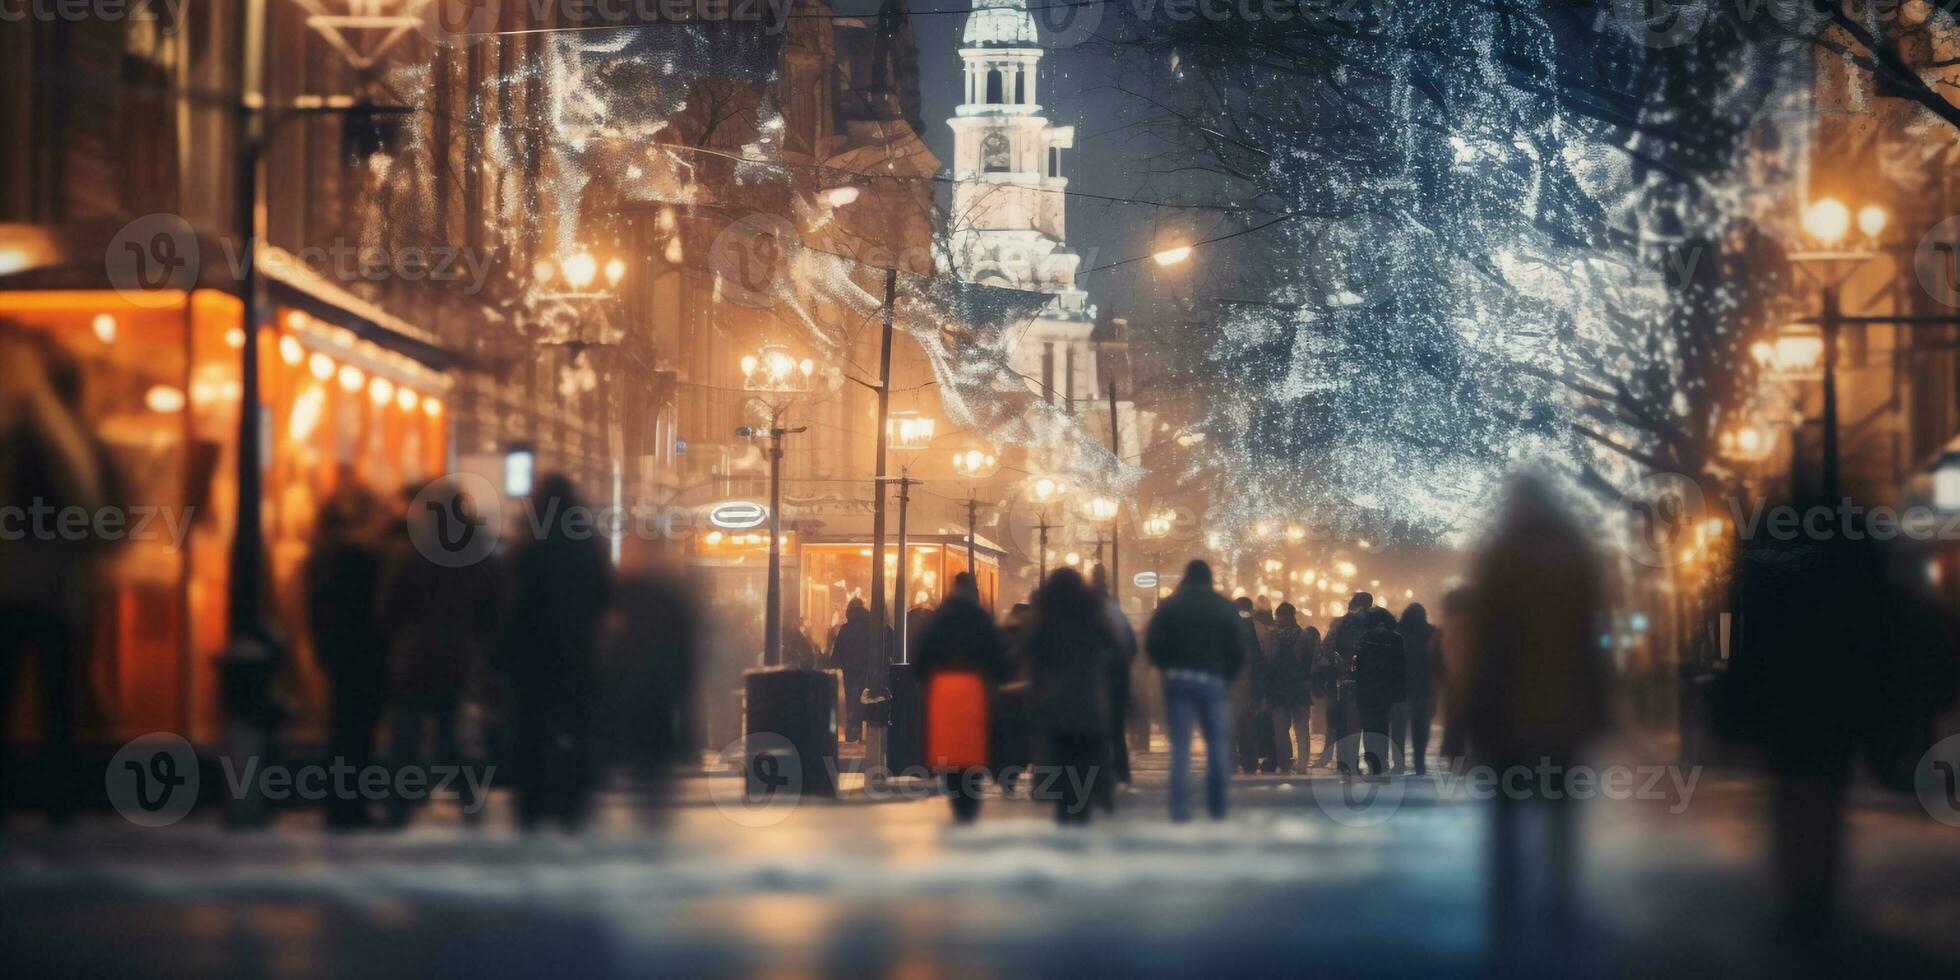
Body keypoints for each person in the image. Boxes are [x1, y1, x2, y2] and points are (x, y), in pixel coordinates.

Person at [1450, 473, 1607, 968]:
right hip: (1565, 708)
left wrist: (1466, 715)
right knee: (1561, 808)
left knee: (1506, 813)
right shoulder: (1577, 557)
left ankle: (1508, 901)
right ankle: (1560, 896)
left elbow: (1487, 644)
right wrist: (1601, 704)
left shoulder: (1500, 558)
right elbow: (1591, 637)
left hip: (1508, 709)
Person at [0, 328, 118, 826]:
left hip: (36, 590)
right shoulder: (69, 441)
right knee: (56, 702)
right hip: (55, 592)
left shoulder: (48, 440)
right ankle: (58, 804)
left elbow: (97, 509)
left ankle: (54, 802)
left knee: (50, 700)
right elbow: (102, 512)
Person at [378, 477, 505, 826]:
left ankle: (397, 810)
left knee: (406, 735)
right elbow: (492, 613)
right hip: (456, 657)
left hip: (415, 657)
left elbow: (390, 610)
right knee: (449, 734)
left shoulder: (414, 555)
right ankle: (468, 799)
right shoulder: (479, 557)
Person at [498, 474, 612, 831]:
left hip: (531, 654)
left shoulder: (527, 547)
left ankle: (530, 802)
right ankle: (571, 799)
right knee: (575, 727)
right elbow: (605, 597)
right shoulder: (587, 547)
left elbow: (510, 602)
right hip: (576, 651)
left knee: (530, 726)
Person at [304, 483, 389, 829]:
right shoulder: (363, 559)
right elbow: (378, 612)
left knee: (343, 733)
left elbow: (316, 611)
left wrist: (323, 649)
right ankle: (350, 808)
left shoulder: (322, 556)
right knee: (358, 736)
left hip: (339, 655)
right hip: (364, 657)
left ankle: (342, 807)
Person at [1144, 560, 1245, 821]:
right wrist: (1227, 675)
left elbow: (1153, 644)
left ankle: (1179, 807)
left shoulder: (1170, 606)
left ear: (1185, 578)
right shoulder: (1223, 607)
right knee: (1216, 744)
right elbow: (1237, 649)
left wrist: (1167, 666)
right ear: (1210, 579)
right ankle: (1217, 805)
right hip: (1213, 680)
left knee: (1180, 747)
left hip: (1178, 678)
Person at [1022, 568, 1121, 825]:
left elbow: (1027, 655)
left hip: (1054, 703)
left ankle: (1065, 809)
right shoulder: (1092, 616)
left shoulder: (1044, 621)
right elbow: (1115, 651)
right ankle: (1087, 802)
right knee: (1086, 756)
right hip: (1088, 700)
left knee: (1061, 758)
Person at [914, 573, 1011, 823]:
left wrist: (929, 681)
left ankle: (955, 797)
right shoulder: (981, 619)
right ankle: (970, 802)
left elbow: (921, 658)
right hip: (975, 690)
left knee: (949, 748)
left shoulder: (939, 618)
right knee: (972, 746)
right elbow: (999, 659)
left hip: (943, 690)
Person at [1089, 564, 1137, 799]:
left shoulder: (1083, 612)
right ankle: (1121, 772)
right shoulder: (1116, 612)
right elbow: (1131, 647)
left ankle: (1097, 774)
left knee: (1093, 729)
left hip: (1090, 681)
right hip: (1116, 678)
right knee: (1116, 730)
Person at [1318, 592, 1375, 772]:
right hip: (1369, 679)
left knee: (1346, 722)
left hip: (1344, 679)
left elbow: (1326, 647)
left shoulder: (1340, 624)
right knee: (1367, 723)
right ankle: (1371, 761)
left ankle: (1346, 762)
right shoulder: (1375, 624)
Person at [1351, 606, 1406, 778]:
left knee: (1368, 726)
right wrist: (1400, 690)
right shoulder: (1396, 639)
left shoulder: (1366, 638)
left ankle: (1372, 761)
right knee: (1382, 725)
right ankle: (1382, 761)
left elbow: (1358, 666)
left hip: (1366, 689)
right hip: (1387, 689)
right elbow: (1401, 667)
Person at [1391, 603, 1442, 775]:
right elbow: (1438, 662)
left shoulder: (1397, 632)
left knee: (1398, 727)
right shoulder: (1432, 633)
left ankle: (1398, 762)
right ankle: (1419, 761)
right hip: (1424, 686)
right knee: (1421, 726)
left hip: (1400, 686)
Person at [826, 598, 886, 743]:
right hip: (868, 671)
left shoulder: (846, 628)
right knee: (867, 699)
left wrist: (832, 664)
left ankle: (853, 733)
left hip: (850, 672)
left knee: (852, 703)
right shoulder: (872, 626)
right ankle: (868, 733)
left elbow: (838, 652)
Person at [1267, 608, 1315, 774]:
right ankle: (1302, 763)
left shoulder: (1273, 637)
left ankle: (1284, 762)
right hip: (1300, 688)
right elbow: (1311, 661)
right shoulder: (1304, 636)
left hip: (1278, 689)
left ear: (1278, 617)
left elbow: (1269, 662)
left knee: (1281, 728)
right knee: (1302, 729)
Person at [1230, 595, 1263, 773]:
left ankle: (1230, 760)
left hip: (1231, 680)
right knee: (1246, 723)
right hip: (1245, 680)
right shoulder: (1247, 626)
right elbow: (1256, 656)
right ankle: (1249, 760)